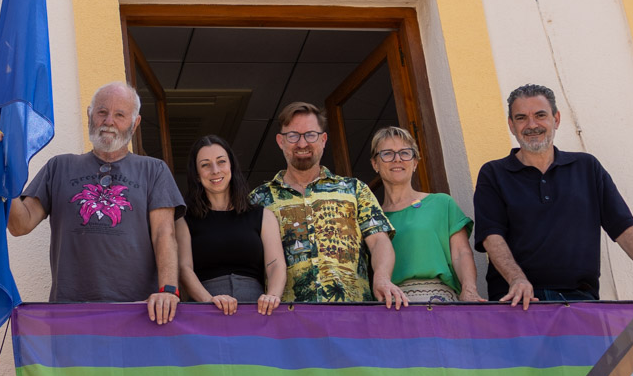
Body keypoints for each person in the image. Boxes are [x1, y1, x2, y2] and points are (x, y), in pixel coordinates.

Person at [473, 84, 633, 308]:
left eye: (540, 115)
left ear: (556, 119)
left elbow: (622, 227)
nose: (532, 124)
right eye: (521, 117)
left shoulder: (587, 167)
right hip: (517, 301)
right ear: (511, 125)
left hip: (580, 302)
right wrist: (517, 279)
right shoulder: (493, 174)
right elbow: (491, 236)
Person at [2, 81, 184, 322]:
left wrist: (168, 290)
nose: (109, 121)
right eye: (102, 112)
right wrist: (5, 174)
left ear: (135, 122)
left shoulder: (154, 170)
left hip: (139, 312)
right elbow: (19, 225)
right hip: (70, 312)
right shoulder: (59, 166)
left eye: (120, 114)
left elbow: (164, 234)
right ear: (90, 115)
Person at [250, 101, 405, 308]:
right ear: (280, 141)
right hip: (287, 322)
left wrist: (383, 277)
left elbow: (379, 241)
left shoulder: (354, 189)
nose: (302, 143)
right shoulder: (258, 199)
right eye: (293, 136)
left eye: (310, 135)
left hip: (352, 316)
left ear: (323, 139)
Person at [176, 135, 285, 315]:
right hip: (206, 312)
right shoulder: (184, 220)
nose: (215, 170)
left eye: (221, 162)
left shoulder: (262, 216)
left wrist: (272, 296)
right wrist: (208, 301)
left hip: (256, 310)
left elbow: (276, 265)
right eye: (205, 165)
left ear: (231, 166)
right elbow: (184, 268)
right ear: (196, 174)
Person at [370, 126, 482, 303]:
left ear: (415, 162)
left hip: (439, 301)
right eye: (387, 153)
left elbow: (461, 253)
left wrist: (469, 290)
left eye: (405, 153)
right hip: (390, 306)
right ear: (375, 164)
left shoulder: (441, 204)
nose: (397, 159)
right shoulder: (371, 219)